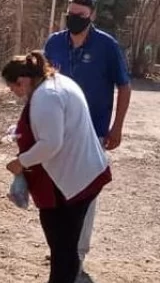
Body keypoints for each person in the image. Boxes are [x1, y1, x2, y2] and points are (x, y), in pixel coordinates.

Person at [3, 51, 112, 283]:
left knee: (64, 246)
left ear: (25, 80)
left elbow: (51, 143)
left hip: (75, 180)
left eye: (14, 86)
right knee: (57, 240)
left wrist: (20, 163)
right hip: (76, 173)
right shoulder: (56, 83)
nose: (14, 93)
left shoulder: (46, 97)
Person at [44, 0, 131, 264]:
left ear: (92, 15)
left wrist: (117, 127)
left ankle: (77, 252)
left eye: (80, 15)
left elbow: (124, 87)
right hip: (57, 130)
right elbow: (42, 83)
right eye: (70, 14)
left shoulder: (107, 46)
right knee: (56, 190)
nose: (74, 19)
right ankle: (59, 248)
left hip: (93, 131)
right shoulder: (54, 43)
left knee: (85, 192)